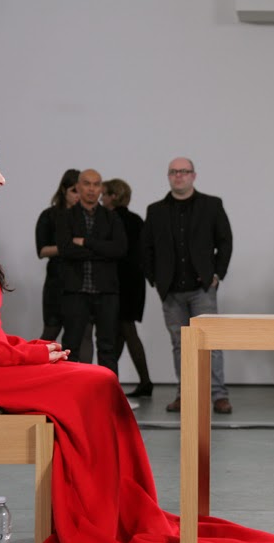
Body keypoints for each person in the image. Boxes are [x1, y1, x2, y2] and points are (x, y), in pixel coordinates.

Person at [0, 129, 274, 543]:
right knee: (95, 382)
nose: (0, 178)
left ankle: (121, 516)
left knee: (98, 377)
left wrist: (28, 350)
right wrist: (24, 358)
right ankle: (107, 525)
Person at [143, 157, 234, 414]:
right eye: (173, 172)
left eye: (183, 171)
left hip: (202, 288)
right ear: (168, 176)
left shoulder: (211, 205)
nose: (178, 176)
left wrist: (217, 274)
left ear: (194, 175)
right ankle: (186, 394)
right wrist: (155, 279)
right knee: (179, 344)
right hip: (171, 291)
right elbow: (146, 248)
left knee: (211, 343)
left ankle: (218, 395)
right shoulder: (156, 210)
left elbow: (225, 241)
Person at [55, 169, 126, 375]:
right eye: (87, 183)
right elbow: (66, 250)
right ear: (78, 186)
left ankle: (109, 398)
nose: (91, 189)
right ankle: (70, 396)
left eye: (96, 184)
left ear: (101, 188)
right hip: (75, 290)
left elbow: (119, 249)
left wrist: (85, 242)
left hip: (106, 292)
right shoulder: (65, 216)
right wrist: (103, 249)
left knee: (108, 348)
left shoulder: (112, 218)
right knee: (71, 347)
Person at [102, 178, 153, 398]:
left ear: (113, 196)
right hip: (135, 282)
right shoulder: (136, 220)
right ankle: (119, 380)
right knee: (123, 332)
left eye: (104, 193)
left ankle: (140, 381)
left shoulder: (110, 219)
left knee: (124, 331)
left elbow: (113, 252)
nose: (101, 197)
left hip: (119, 283)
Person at [34, 169, 84, 347]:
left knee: (83, 335)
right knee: (51, 331)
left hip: (81, 283)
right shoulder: (49, 216)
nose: (78, 196)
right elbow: (41, 251)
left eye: (81, 191)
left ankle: (81, 375)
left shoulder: (85, 217)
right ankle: (37, 373)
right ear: (64, 190)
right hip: (57, 282)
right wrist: (69, 246)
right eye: (74, 191)